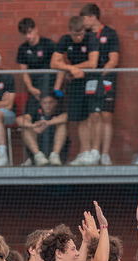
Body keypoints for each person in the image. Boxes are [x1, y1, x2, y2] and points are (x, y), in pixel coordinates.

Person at [53, 16, 101, 166]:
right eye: (75, 35)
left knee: (94, 115)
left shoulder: (91, 38)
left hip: (91, 80)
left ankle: (95, 151)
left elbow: (93, 63)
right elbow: (54, 62)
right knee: (80, 119)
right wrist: (71, 69)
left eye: (81, 34)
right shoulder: (65, 40)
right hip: (75, 82)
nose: (78, 37)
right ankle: (85, 152)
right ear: (70, 31)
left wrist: (75, 68)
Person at [81, 4, 121, 166]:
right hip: (90, 81)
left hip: (106, 79)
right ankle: (92, 151)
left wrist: (103, 73)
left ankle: (105, 154)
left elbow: (114, 60)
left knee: (105, 115)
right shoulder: (85, 36)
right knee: (92, 115)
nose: (83, 22)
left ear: (93, 17)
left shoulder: (110, 33)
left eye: (84, 18)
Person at [16, 17, 61, 113]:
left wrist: (56, 88)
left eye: (30, 32)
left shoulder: (48, 44)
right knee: (30, 116)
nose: (28, 36)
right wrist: (30, 88)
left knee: (50, 118)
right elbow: (24, 72)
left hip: (49, 87)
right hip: (34, 88)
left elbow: (60, 65)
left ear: (36, 29)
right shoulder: (22, 49)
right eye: (25, 34)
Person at [18, 90, 67, 166]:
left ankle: (55, 156)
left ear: (55, 102)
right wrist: (33, 126)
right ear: (40, 103)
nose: (47, 105)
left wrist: (47, 123)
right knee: (25, 128)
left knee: (62, 125)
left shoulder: (59, 109)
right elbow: (19, 119)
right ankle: (38, 156)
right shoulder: (35, 110)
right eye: (44, 103)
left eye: (50, 102)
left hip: (56, 149)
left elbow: (67, 117)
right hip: (38, 146)